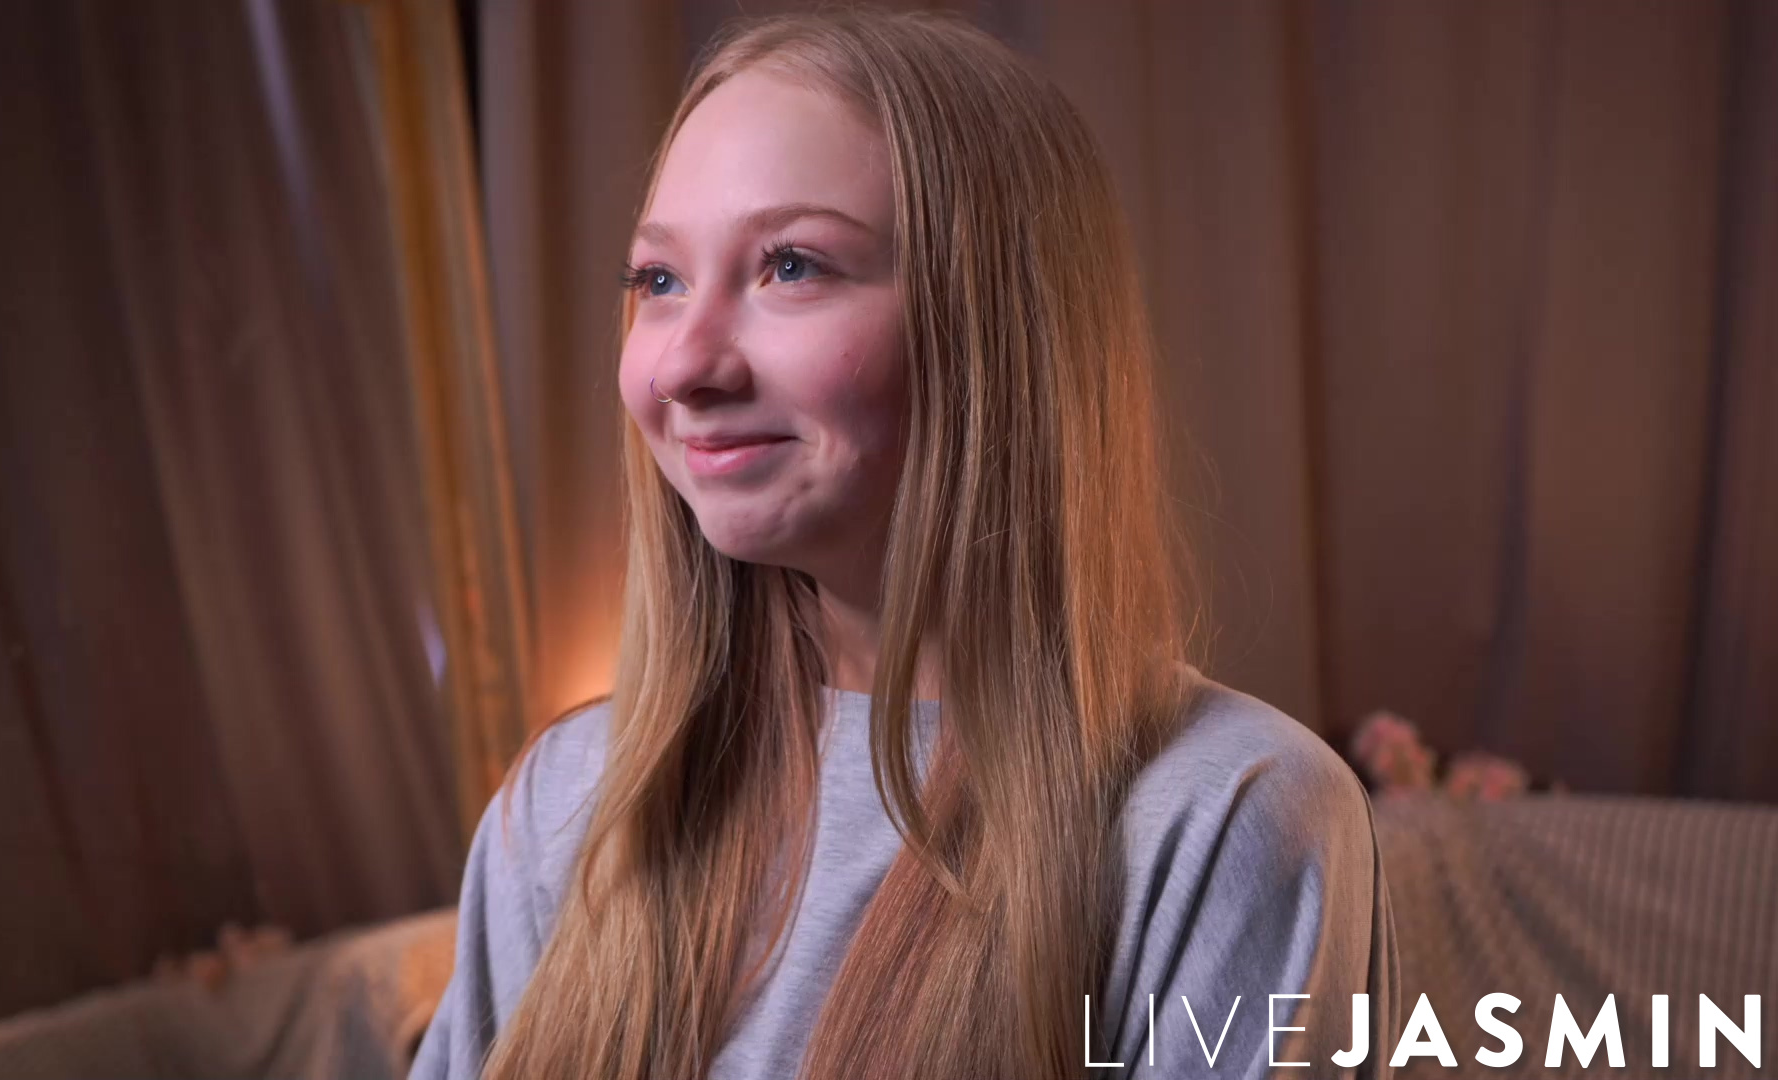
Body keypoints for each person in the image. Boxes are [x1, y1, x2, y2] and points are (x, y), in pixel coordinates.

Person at [411, 10, 1398, 1080]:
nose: (684, 367)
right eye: (658, 280)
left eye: (791, 266)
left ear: (997, 324)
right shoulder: (569, 802)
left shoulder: (1224, 817)